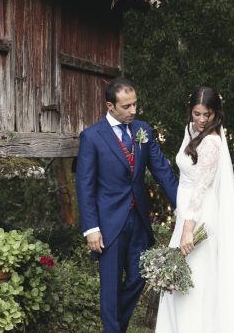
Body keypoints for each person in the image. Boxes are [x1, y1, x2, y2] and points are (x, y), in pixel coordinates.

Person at [155, 86, 234, 332]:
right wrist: (181, 218)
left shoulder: (213, 142)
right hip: (185, 213)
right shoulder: (190, 130)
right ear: (190, 111)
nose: (203, 120)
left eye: (208, 114)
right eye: (197, 113)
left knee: (197, 280)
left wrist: (188, 229)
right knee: (179, 278)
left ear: (216, 113)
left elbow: (200, 189)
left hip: (200, 216)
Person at [76, 77, 179, 333]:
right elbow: (85, 185)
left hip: (139, 222)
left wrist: (185, 206)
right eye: (127, 106)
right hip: (108, 225)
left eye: (135, 104)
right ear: (110, 106)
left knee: (138, 278)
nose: (133, 111)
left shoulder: (143, 130)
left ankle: (115, 329)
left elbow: (163, 172)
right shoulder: (91, 137)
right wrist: (91, 228)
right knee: (110, 288)